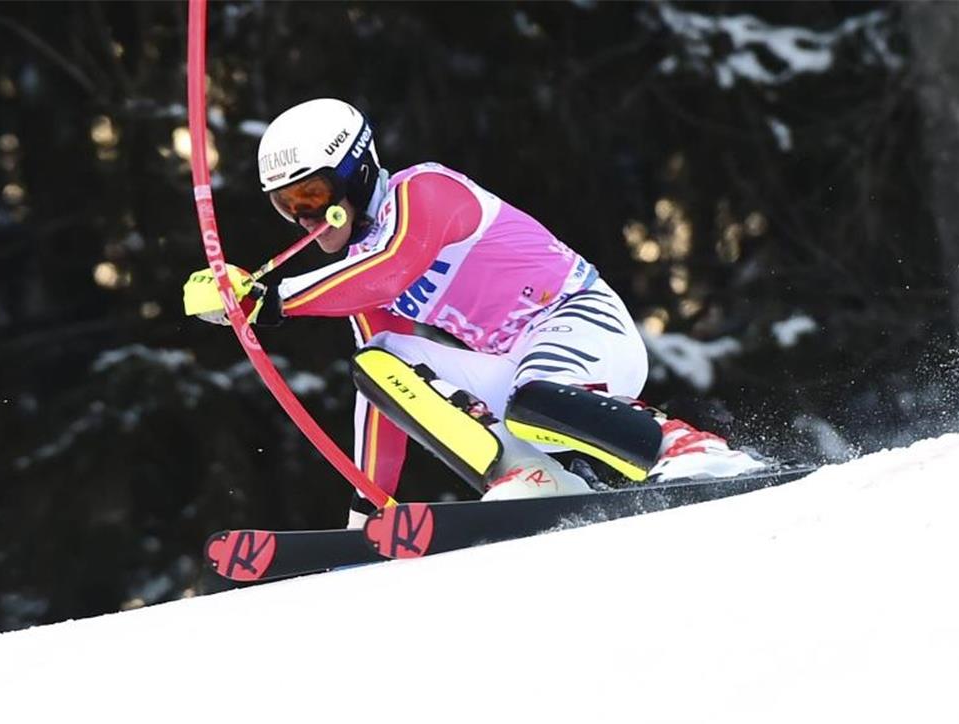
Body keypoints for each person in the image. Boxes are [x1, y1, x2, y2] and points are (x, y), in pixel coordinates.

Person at [184, 98, 765, 528]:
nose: (305, 219)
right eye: (286, 206)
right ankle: (529, 474)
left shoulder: (424, 192)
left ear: (358, 172)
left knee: (533, 399)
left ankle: (690, 450)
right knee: (381, 361)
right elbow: (385, 399)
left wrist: (271, 299)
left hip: (581, 322)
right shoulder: (361, 267)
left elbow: (395, 262)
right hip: (513, 364)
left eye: (311, 197)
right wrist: (370, 509)